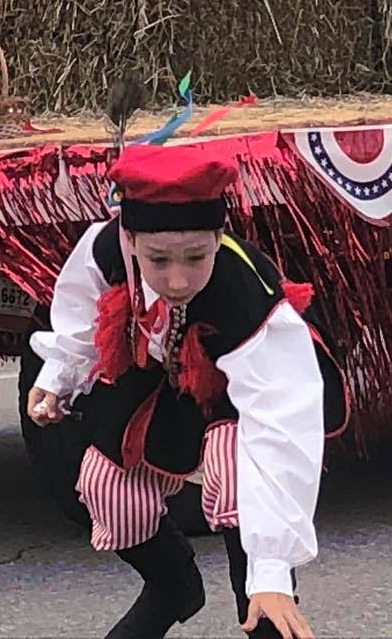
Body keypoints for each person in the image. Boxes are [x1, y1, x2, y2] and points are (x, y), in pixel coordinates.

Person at [26, 139, 343, 639]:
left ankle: (262, 611)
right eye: (159, 260)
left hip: (234, 391)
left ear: (218, 237)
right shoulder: (106, 246)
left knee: (237, 476)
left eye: (196, 257)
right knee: (108, 488)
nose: (177, 279)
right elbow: (80, 304)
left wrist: (273, 572)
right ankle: (172, 586)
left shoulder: (245, 299)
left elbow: (279, 432)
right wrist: (59, 376)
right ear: (129, 239)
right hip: (159, 375)